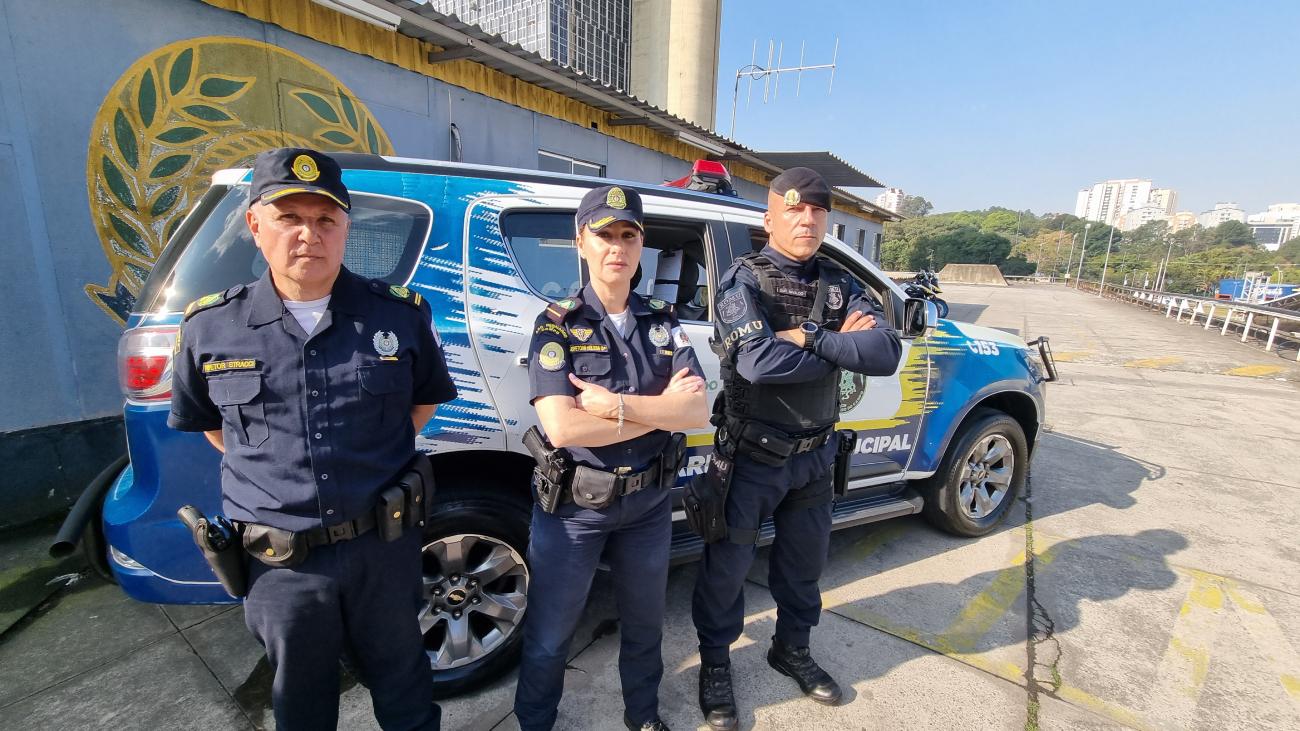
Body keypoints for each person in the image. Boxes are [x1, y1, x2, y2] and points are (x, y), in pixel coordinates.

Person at [169, 148, 454, 730]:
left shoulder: (398, 317)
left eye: (326, 219)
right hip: (282, 565)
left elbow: (420, 402)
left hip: (384, 548)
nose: (309, 234)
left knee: (405, 687)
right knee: (300, 703)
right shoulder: (210, 327)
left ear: (346, 227)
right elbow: (210, 426)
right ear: (255, 226)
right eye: (289, 218)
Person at [690, 167, 903, 729]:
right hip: (751, 458)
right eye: (793, 210)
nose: (806, 220)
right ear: (770, 218)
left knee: (804, 568)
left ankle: (792, 649)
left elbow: (884, 354)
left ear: (826, 219)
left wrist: (809, 337)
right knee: (727, 569)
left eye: (815, 211)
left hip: (815, 456)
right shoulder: (745, 281)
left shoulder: (840, 283)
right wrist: (843, 344)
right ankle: (714, 664)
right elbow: (758, 363)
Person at [514, 185, 711, 731]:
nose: (616, 247)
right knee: (552, 633)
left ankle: (643, 717)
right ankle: (535, 723)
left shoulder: (663, 321)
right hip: (576, 510)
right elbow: (562, 424)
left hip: (649, 504)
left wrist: (617, 406)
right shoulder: (558, 325)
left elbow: (696, 411)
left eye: (629, 235)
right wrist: (659, 409)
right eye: (604, 235)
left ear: (642, 244)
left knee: (646, 625)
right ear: (581, 242)